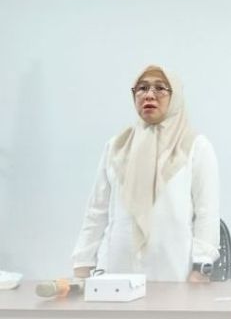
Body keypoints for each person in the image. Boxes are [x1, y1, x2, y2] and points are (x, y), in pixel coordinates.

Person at [72, 65, 220, 282]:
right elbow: (97, 209)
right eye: (142, 88)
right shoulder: (117, 146)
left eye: (160, 88)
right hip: (119, 270)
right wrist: (82, 263)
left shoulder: (195, 146)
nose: (149, 95)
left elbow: (207, 212)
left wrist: (202, 266)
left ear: (175, 96)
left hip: (175, 271)